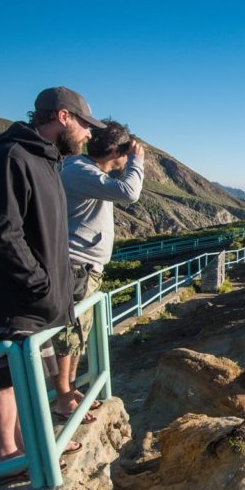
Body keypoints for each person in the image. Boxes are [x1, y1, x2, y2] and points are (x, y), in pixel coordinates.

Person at [0, 87, 106, 463]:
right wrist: (39, 284)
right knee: (5, 378)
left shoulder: (47, 160)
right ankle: (8, 455)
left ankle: (33, 445)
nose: (88, 134)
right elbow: (2, 229)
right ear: (62, 117)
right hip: (19, 298)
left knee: (29, 376)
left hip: (41, 298)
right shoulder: (11, 157)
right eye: (84, 124)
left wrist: (54, 288)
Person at [52, 120, 144, 420]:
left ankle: (70, 391)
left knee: (79, 332)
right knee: (69, 334)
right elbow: (130, 192)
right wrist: (137, 161)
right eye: (126, 151)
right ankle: (63, 398)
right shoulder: (80, 170)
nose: (128, 157)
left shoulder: (85, 170)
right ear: (116, 150)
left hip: (84, 269)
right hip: (75, 266)